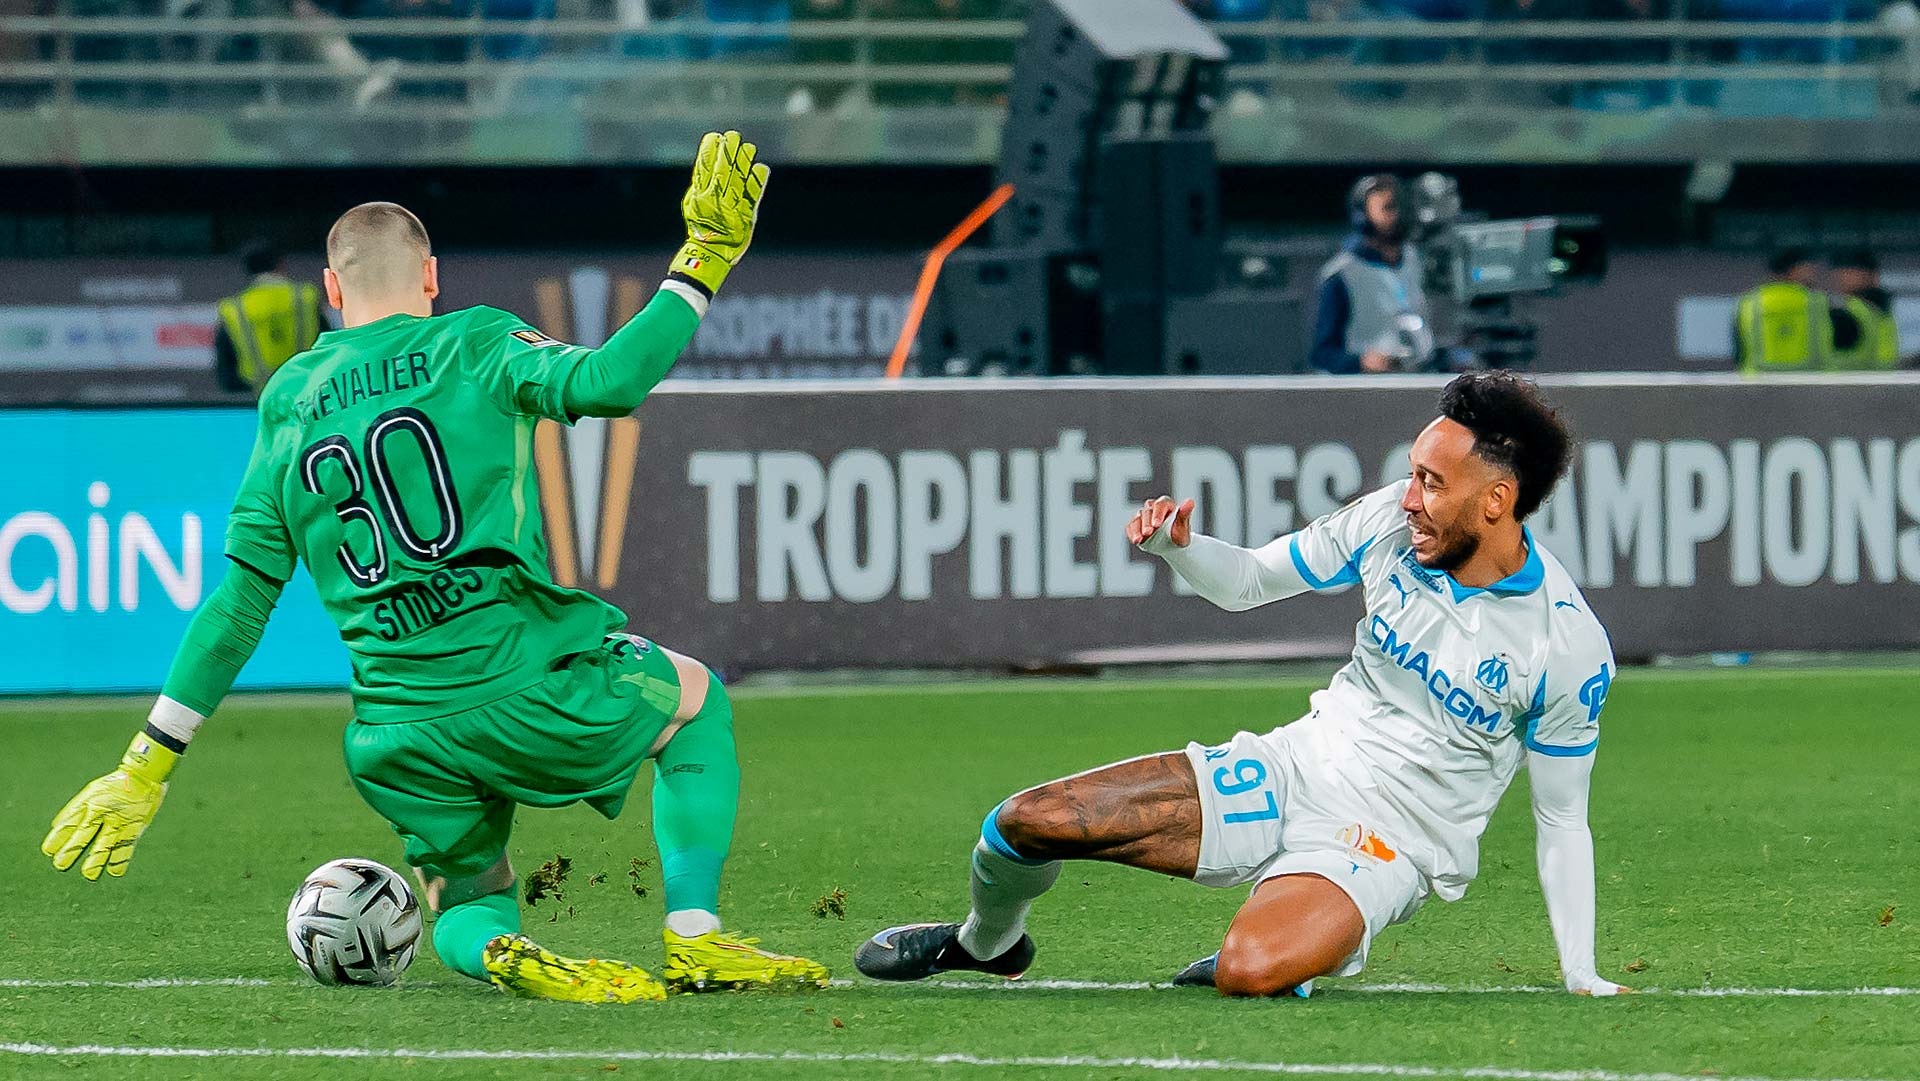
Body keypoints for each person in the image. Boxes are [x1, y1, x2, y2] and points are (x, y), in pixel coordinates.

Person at [42, 131, 828, 1004]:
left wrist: (145, 765)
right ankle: (697, 941)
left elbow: (238, 605)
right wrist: (701, 261)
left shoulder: (288, 399)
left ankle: (497, 950)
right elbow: (610, 381)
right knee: (696, 701)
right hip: (522, 683)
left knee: (466, 894)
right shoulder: (475, 342)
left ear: (332, 289)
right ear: (431, 276)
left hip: (396, 733)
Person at [856, 371, 1626, 999]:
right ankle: (986, 943)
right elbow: (1252, 580)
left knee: (1248, 968)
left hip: (1391, 839)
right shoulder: (1386, 527)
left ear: (1495, 500)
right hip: (1294, 765)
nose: (1408, 498)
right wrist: (1180, 549)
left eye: (1431, 482)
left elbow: (1562, 818)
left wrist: (1580, 970)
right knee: (1026, 820)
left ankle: (1320, 937)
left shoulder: (1564, 644)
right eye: (1412, 474)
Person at [1311, 174, 1432, 374]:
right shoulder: (1342, 274)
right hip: (1364, 384)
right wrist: (1361, 362)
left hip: (1414, 376)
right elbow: (1322, 354)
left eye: (1399, 207)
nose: (1396, 216)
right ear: (1363, 215)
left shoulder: (1415, 261)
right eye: (1387, 208)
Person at [213, 241, 329, 395]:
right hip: (309, 395)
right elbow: (328, 345)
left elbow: (226, 372)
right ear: (280, 264)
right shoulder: (305, 296)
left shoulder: (234, 309)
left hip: (258, 400)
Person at [1732, 247, 1829, 375]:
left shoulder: (1749, 302)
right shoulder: (1817, 301)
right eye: (1808, 268)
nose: (1813, 273)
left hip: (1758, 381)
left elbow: (1739, 350)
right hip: (1810, 380)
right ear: (1796, 269)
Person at [1826, 248, 1900, 370]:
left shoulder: (1851, 310)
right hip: (1878, 377)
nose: (1837, 278)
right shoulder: (1882, 310)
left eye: (1846, 272)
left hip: (1847, 378)